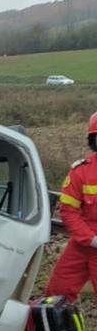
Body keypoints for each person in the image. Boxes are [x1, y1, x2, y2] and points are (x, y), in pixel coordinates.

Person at [45, 111, 97, 302]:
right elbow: (68, 211)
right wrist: (90, 239)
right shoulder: (81, 172)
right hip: (84, 245)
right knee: (56, 294)